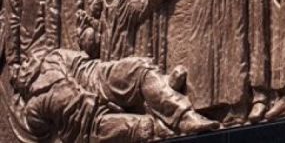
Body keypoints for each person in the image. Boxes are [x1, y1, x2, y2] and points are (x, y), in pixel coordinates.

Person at [12, 47, 219, 142]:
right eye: (16, 73)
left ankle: (184, 117)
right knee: (142, 128)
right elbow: (50, 137)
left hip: (99, 81)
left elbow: (87, 66)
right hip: (89, 124)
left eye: (23, 62)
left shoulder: (54, 56)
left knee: (138, 68)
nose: (21, 67)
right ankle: (166, 106)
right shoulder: (33, 109)